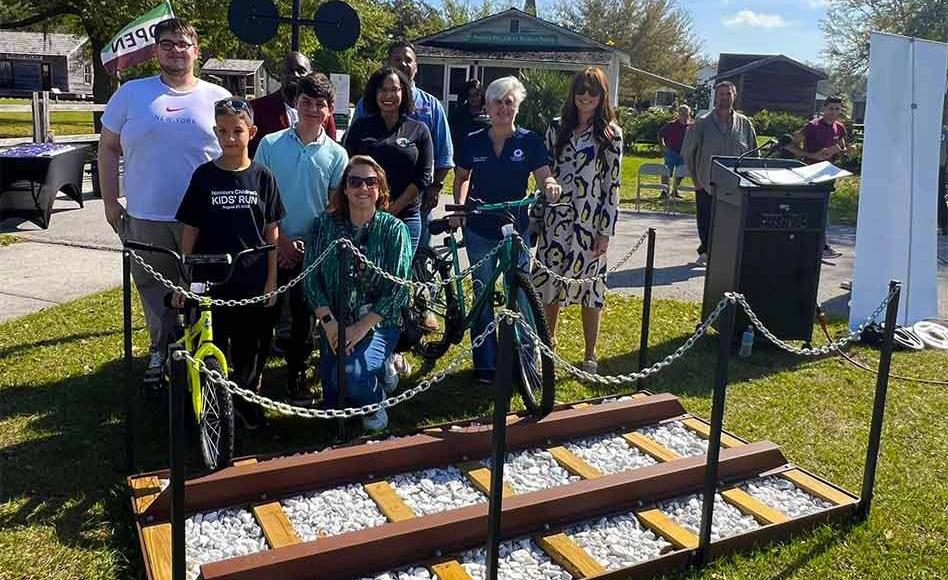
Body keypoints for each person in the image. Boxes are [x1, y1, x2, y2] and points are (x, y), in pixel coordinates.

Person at [98, 18, 231, 388]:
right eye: (168, 43)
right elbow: (107, 148)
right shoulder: (131, 94)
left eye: (183, 44)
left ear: (196, 51)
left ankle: (203, 353)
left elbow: (237, 153)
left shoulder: (217, 97)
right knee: (155, 292)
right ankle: (161, 352)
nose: (176, 50)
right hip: (147, 216)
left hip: (205, 219)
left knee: (203, 291)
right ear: (156, 50)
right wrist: (110, 202)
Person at [175, 98, 284, 428]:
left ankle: (245, 402)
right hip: (211, 280)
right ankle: (212, 406)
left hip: (251, 280)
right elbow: (190, 230)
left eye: (237, 131)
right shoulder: (204, 177)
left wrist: (271, 280)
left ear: (252, 132)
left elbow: (271, 233)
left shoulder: (263, 177)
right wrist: (184, 279)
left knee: (249, 351)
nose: (230, 138)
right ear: (215, 132)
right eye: (222, 131)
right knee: (212, 346)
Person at [452, 76, 561, 384]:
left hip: (516, 229)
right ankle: (485, 363)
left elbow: (544, 176)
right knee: (483, 293)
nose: (502, 108)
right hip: (480, 228)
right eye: (497, 102)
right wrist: (460, 208)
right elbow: (462, 178)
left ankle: (528, 361)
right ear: (487, 106)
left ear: (517, 107)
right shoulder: (473, 140)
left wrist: (550, 186)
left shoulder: (530, 141)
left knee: (523, 296)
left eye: (508, 102)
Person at [255, 73, 348, 400]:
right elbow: (259, 200)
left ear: (329, 109)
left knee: (303, 318)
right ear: (295, 103)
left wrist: (308, 244)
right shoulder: (269, 144)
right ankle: (253, 376)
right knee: (265, 314)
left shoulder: (337, 155)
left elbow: (334, 208)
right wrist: (280, 240)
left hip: (312, 250)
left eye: (319, 104)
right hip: (271, 245)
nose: (311, 109)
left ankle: (297, 374)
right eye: (306, 102)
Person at [303, 156, 412, 431]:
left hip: (378, 322)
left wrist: (360, 329)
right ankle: (375, 369)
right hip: (335, 320)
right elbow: (311, 280)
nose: (363, 188)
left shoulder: (394, 230)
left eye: (370, 182)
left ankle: (376, 398)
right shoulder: (323, 226)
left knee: (348, 378)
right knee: (334, 401)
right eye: (355, 181)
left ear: (380, 188)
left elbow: (398, 288)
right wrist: (330, 325)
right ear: (345, 188)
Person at [534, 67, 622, 374]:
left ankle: (590, 352)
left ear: (602, 96)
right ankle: (548, 343)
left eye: (592, 92)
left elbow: (612, 185)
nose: (586, 97)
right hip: (555, 219)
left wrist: (605, 231)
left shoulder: (611, 134)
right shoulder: (557, 127)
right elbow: (543, 172)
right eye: (581, 90)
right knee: (549, 285)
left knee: (591, 290)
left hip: (590, 223)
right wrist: (537, 216)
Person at [352, 41, 453, 247]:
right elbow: (352, 156)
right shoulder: (366, 106)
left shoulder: (432, 107)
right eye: (397, 59)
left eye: (408, 60)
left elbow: (444, 156)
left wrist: (434, 188)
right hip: (368, 203)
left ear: (416, 67)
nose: (403, 64)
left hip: (415, 204)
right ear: (388, 63)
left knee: (414, 259)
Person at [344, 67, 434, 252]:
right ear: (374, 93)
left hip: (406, 216)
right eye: (383, 90)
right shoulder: (360, 127)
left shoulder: (419, 129)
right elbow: (348, 169)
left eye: (394, 89)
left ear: (404, 92)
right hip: (364, 216)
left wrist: (392, 210)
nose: (388, 95)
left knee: (400, 269)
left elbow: (423, 176)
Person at [681, 80, 757, 267]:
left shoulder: (745, 124)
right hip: (706, 182)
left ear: (734, 96)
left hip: (736, 185)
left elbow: (753, 154)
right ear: (716, 97)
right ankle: (705, 252)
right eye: (721, 94)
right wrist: (696, 181)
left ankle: (727, 255)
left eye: (728, 94)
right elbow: (688, 153)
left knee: (732, 222)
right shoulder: (702, 123)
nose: (724, 97)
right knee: (706, 221)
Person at [786, 95, 849, 259]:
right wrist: (811, 154)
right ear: (824, 109)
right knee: (812, 208)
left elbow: (842, 147)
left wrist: (845, 151)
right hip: (810, 173)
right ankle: (819, 246)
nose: (833, 112)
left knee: (823, 208)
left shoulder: (840, 127)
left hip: (828, 173)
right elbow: (789, 144)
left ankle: (818, 246)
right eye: (830, 108)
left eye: (837, 109)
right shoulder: (813, 126)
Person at [249, 52, 336, 157]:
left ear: (310, 74)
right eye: (289, 71)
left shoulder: (321, 112)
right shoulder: (257, 108)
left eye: (301, 71)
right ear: (279, 75)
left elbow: (331, 151)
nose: (295, 75)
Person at [449, 79, 490, 166]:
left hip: (484, 155)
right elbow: (450, 133)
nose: (474, 98)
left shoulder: (489, 111)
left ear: (481, 95)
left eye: (476, 95)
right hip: (462, 155)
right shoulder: (459, 112)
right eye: (470, 95)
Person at [658, 105, 692, 196]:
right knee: (666, 172)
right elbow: (660, 134)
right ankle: (664, 191)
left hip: (685, 153)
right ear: (678, 113)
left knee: (681, 173)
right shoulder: (671, 125)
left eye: (686, 113)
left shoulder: (691, 126)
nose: (684, 115)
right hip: (671, 152)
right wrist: (663, 146)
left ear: (689, 114)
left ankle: (675, 191)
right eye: (682, 113)